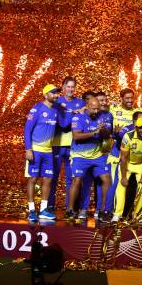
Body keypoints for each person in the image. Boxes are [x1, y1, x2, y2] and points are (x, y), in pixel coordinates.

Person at [66, 97, 112, 222]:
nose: (96, 111)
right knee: (77, 180)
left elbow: (106, 134)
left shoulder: (102, 116)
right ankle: (70, 210)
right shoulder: (78, 117)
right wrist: (94, 133)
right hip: (80, 156)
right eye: (93, 108)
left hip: (97, 155)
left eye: (98, 108)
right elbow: (76, 136)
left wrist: (104, 131)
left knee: (106, 179)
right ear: (87, 106)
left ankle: (102, 210)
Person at [24, 84, 60, 222]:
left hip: (48, 151)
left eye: (57, 93)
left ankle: (44, 209)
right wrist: (28, 149)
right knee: (33, 179)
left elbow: (63, 124)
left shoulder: (56, 110)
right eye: (53, 93)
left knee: (48, 179)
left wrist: (79, 112)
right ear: (45, 95)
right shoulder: (37, 108)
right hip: (35, 150)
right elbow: (27, 129)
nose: (56, 95)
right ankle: (32, 210)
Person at [49, 77, 84, 212]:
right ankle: (49, 207)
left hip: (73, 146)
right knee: (53, 178)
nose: (70, 89)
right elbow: (61, 124)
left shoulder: (80, 102)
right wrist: (72, 114)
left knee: (71, 179)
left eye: (73, 87)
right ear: (63, 87)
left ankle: (69, 209)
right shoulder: (56, 101)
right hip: (56, 145)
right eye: (68, 86)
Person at [112, 117, 142, 222]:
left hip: (141, 164)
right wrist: (123, 177)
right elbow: (123, 158)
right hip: (127, 163)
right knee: (121, 186)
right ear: (136, 128)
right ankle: (117, 214)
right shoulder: (128, 136)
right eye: (141, 128)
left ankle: (137, 214)